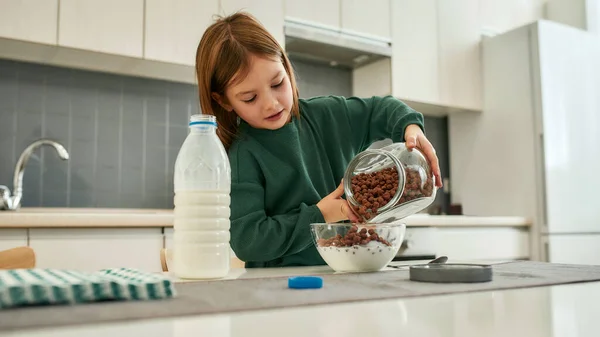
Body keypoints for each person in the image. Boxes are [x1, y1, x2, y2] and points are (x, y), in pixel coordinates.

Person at [195, 12, 443, 268]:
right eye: (250, 98)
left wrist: (411, 127)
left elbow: (381, 108)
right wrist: (323, 214)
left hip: (351, 273)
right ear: (224, 101)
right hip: (281, 287)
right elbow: (249, 241)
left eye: (278, 83)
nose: (271, 103)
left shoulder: (329, 115)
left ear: (285, 66)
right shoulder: (242, 155)